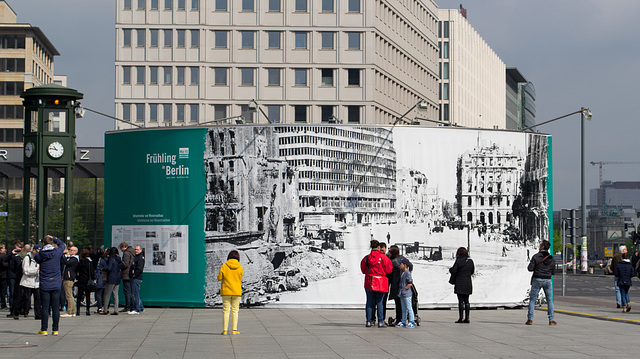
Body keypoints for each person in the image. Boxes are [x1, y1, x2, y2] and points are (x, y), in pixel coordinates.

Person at [35, 235, 65, 336]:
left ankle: (44, 329)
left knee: (45, 307)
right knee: (56, 308)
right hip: (56, 283)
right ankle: (55, 330)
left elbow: (36, 258)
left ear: (43, 244)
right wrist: (54, 238)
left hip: (45, 283)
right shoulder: (57, 253)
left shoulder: (40, 255)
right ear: (52, 243)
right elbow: (62, 245)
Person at [360, 239, 393, 328]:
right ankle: (381, 321)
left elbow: (363, 270)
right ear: (379, 247)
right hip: (380, 281)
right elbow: (389, 269)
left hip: (369, 281)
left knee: (369, 302)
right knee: (379, 302)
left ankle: (368, 321)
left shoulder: (366, 258)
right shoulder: (383, 257)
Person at [526, 240, 556, 326]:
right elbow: (553, 272)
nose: (539, 246)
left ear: (542, 247)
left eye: (540, 245)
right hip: (547, 280)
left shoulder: (536, 256)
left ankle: (530, 319)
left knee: (532, 300)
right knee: (550, 300)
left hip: (537, 279)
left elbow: (530, 268)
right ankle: (551, 320)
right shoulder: (551, 258)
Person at [217, 250, 243, 335]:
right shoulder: (240, 267)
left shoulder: (224, 266)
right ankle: (234, 330)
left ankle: (224, 330)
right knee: (235, 311)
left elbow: (219, 278)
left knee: (226, 311)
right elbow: (240, 279)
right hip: (236, 291)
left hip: (226, 291)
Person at [387, 245, 412, 326]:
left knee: (399, 303)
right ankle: (402, 319)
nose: (388, 252)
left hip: (396, 284)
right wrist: (409, 273)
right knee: (401, 303)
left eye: (390, 251)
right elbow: (411, 265)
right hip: (401, 283)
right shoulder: (401, 258)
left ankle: (399, 319)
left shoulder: (393, 261)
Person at [15, 244, 41, 320]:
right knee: (25, 299)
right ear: (33, 250)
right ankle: (16, 311)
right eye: (37, 251)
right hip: (27, 282)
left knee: (38, 299)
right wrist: (36, 270)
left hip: (36, 282)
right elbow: (26, 271)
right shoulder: (27, 258)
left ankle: (38, 315)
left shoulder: (39, 258)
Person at [449, 247, 475, 323]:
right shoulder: (470, 261)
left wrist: (450, 269)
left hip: (460, 283)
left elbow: (453, 270)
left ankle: (460, 318)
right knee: (467, 301)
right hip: (467, 283)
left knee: (460, 301)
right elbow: (472, 271)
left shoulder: (458, 261)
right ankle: (467, 318)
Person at [3, 240, 23, 318]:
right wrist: (12, 253)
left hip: (19, 276)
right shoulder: (11, 255)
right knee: (12, 293)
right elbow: (4, 259)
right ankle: (12, 310)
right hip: (11, 276)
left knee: (19, 294)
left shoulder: (21, 256)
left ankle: (18, 309)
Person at [100, 247, 122, 315]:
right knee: (115, 294)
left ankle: (105, 309)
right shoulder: (119, 258)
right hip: (118, 278)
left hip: (111, 278)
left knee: (107, 294)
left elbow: (109, 268)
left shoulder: (111, 259)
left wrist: (104, 268)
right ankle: (116, 310)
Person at [395, 258, 415, 328]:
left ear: (405, 265)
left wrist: (405, 287)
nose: (400, 265)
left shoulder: (407, 273)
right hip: (402, 293)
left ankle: (412, 321)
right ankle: (403, 321)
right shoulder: (403, 273)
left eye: (401, 264)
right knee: (403, 308)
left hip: (407, 294)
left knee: (409, 307)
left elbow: (410, 282)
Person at [61, 246, 79, 318]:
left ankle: (70, 311)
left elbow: (66, 262)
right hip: (66, 277)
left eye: (72, 250)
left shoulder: (74, 259)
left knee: (69, 295)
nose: (70, 251)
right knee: (69, 295)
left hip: (69, 278)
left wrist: (63, 255)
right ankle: (72, 311)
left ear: (75, 251)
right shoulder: (71, 258)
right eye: (69, 250)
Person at [75, 249, 93, 316]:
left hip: (81, 279)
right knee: (88, 295)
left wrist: (77, 277)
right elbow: (91, 271)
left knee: (79, 295)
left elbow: (76, 270)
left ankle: (78, 310)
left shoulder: (80, 262)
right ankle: (88, 310)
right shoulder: (89, 262)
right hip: (87, 279)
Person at [119, 242, 136, 313]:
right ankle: (132, 306)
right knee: (131, 291)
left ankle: (127, 306)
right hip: (131, 274)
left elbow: (125, 264)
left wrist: (119, 263)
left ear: (123, 247)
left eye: (121, 248)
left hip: (126, 274)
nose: (121, 250)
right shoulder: (132, 252)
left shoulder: (126, 253)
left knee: (127, 291)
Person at [129, 245, 145, 315]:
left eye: (137, 249)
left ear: (141, 250)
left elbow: (139, 269)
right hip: (136, 277)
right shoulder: (137, 257)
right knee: (136, 293)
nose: (136, 251)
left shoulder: (140, 258)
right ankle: (141, 307)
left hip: (137, 278)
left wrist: (134, 275)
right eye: (135, 249)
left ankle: (136, 309)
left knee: (136, 294)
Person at [94, 248, 108, 313]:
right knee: (106, 293)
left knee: (99, 293)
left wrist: (95, 276)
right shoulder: (112, 259)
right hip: (108, 277)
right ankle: (106, 307)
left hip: (101, 277)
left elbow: (98, 268)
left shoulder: (102, 259)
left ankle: (100, 307)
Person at [0, 244, 7, 310]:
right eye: (4, 248)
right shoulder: (3, 256)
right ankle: (3, 304)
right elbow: (5, 265)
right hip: (3, 275)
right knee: (3, 290)